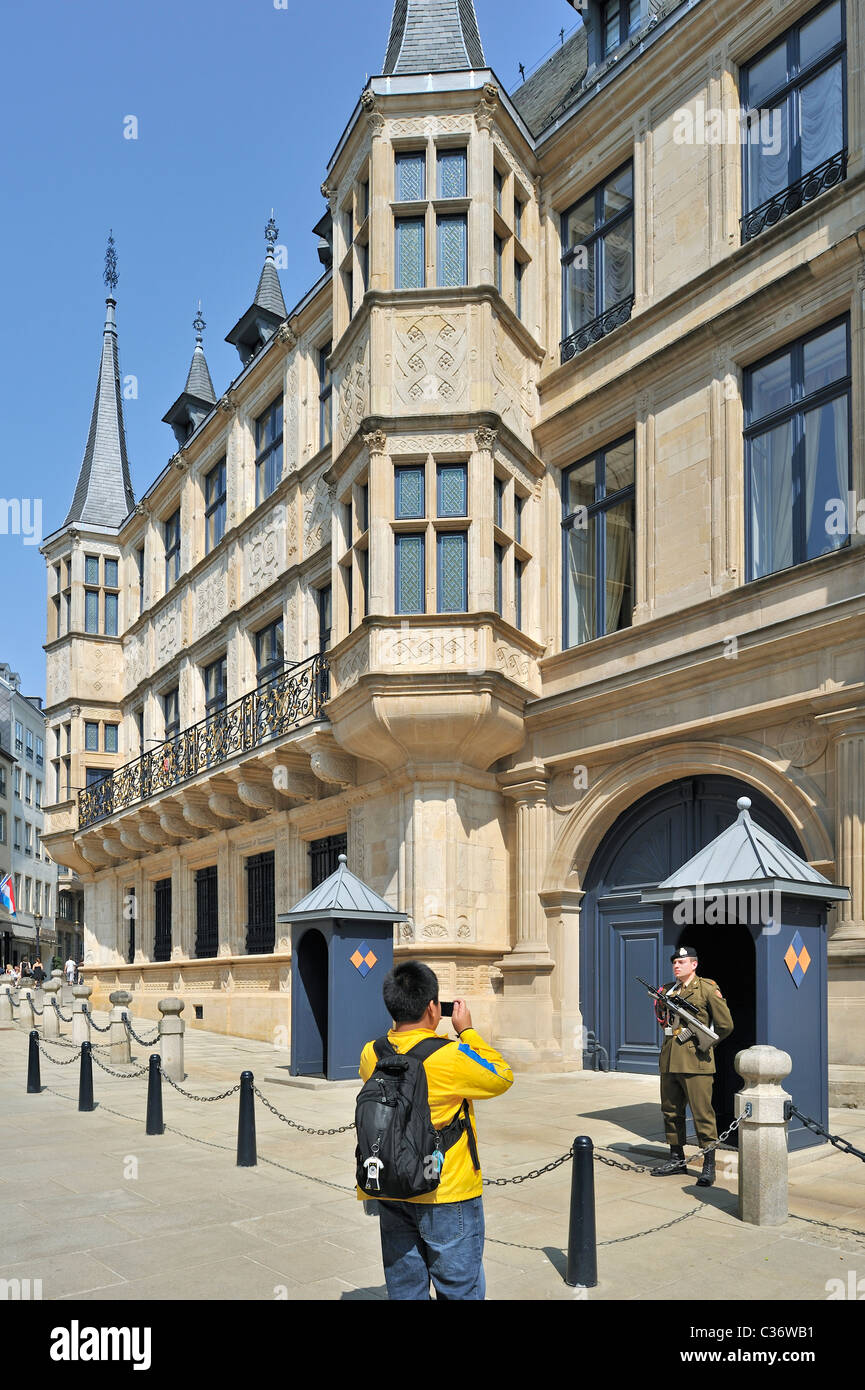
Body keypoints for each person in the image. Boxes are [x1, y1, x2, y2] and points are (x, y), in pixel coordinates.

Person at [358, 961, 513, 1300]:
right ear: (432, 1007)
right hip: (446, 1189)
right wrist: (467, 1031)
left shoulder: (372, 1053)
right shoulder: (450, 1055)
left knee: (405, 1287)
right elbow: (501, 1075)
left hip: (391, 1184)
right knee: (459, 1288)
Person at [651, 946, 734, 1187]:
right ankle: (676, 1159)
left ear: (694, 965)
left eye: (682, 962)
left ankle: (709, 1166)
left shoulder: (706, 989)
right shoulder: (667, 990)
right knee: (671, 1111)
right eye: (675, 962)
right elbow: (664, 1023)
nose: (677, 965)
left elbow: (725, 1025)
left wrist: (704, 1043)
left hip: (697, 1061)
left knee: (702, 1115)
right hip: (670, 1059)